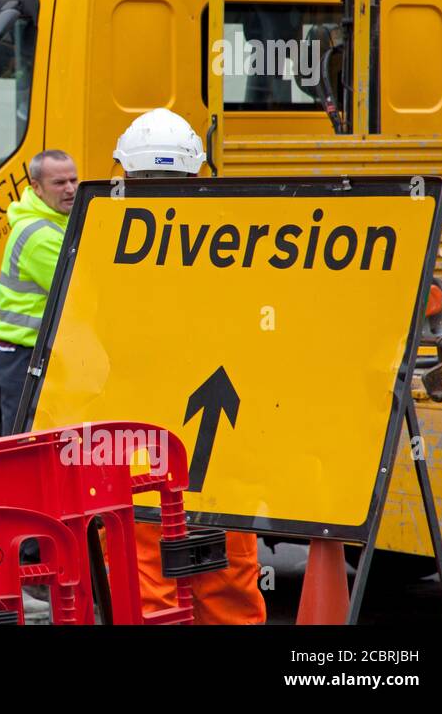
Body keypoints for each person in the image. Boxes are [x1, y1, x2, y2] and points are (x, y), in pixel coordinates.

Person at [113, 107, 265, 626]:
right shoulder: (236, 244)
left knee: (150, 599)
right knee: (229, 593)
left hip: (137, 460)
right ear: (199, 173)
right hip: (222, 458)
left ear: (125, 174)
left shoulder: (102, 245)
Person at [0, 150, 78, 436]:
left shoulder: (56, 222)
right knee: (24, 450)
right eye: (59, 182)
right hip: (24, 359)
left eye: (74, 180)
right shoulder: (39, 235)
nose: (70, 189)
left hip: (27, 355)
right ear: (36, 188)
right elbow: (81, 288)